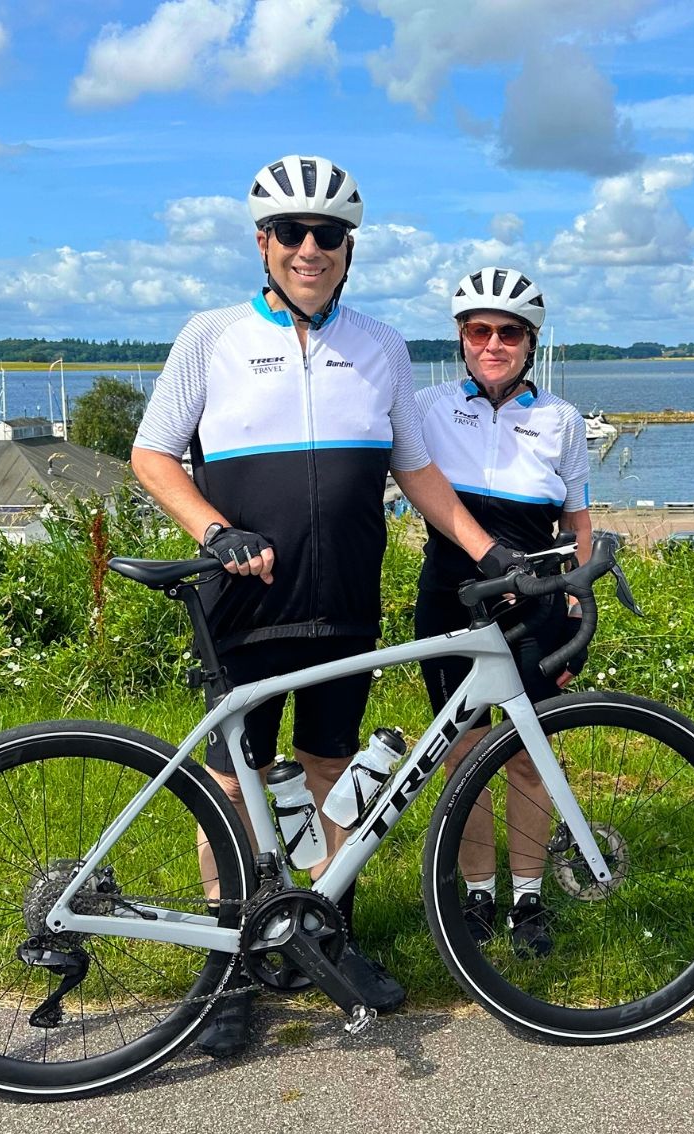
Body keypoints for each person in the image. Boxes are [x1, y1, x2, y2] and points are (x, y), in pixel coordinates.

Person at [131, 156, 507, 1056]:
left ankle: (324, 935)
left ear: (348, 248)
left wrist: (490, 551)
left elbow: (416, 468)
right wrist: (214, 529)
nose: (311, 248)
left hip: (342, 601)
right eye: (293, 233)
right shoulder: (211, 336)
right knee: (234, 784)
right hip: (243, 597)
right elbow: (152, 455)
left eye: (328, 234)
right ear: (264, 243)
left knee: (330, 769)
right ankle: (229, 968)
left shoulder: (381, 346)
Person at [411, 266, 593, 958]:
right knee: (462, 755)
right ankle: (479, 894)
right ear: (461, 337)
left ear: (530, 342)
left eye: (509, 332)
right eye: (479, 330)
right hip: (450, 598)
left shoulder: (561, 419)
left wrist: (578, 604)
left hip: (534, 605)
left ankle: (528, 900)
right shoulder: (427, 407)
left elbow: (576, 518)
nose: (493, 344)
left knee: (527, 757)